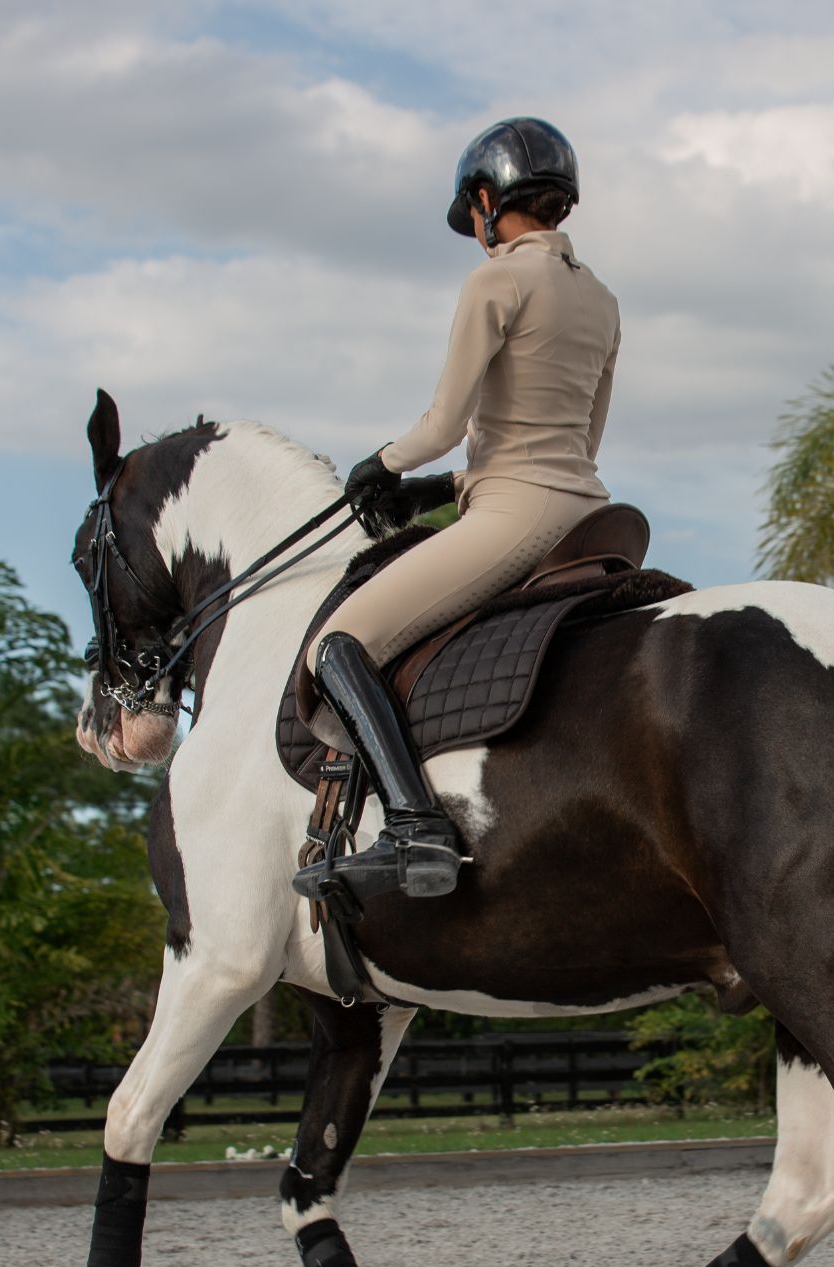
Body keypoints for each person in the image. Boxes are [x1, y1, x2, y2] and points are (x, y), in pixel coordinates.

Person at [294, 117, 621, 904]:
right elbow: (576, 440)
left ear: (484, 199)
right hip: (587, 513)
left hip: (514, 520)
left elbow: (443, 426)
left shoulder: (496, 280)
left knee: (335, 647)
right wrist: (439, 492)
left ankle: (415, 828)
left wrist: (382, 465)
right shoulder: (602, 300)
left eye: (473, 212)